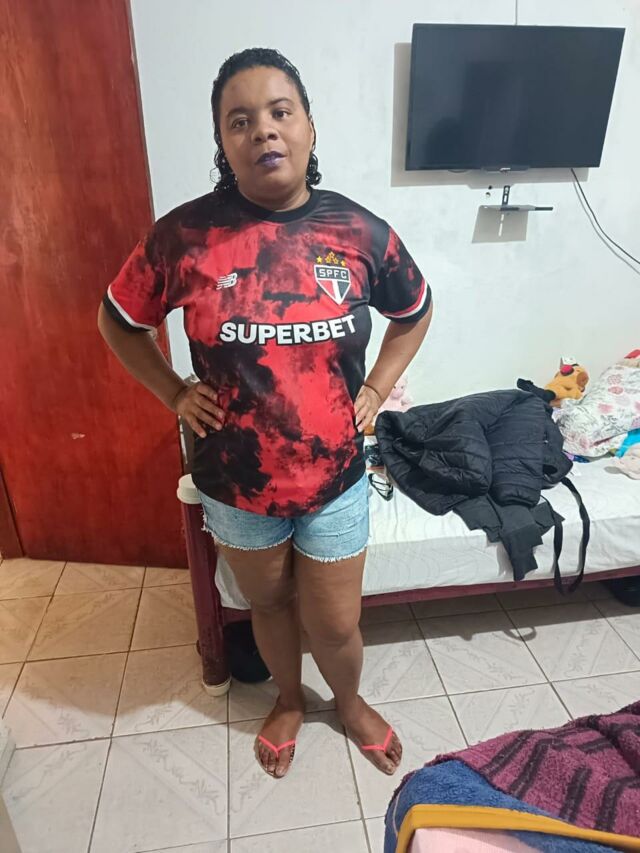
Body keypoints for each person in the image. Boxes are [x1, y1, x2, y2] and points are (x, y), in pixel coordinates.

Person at [98, 47, 433, 779]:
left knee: (335, 621)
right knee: (271, 605)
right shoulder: (184, 237)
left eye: (281, 112)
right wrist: (174, 393)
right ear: (223, 141)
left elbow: (414, 310)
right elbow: (118, 320)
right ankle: (287, 698)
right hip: (236, 479)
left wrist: (377, 388)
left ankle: (348, 702)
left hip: (335, 473)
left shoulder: (358, 233)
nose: (264, 131)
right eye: (240, 120)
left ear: (308, 125)